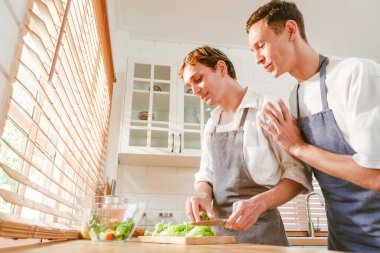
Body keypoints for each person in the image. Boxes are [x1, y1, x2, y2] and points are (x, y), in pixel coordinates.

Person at [245, 1, 380, 252]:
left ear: (290, 30)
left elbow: (375, 176)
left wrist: (298, 147)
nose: (257, 59)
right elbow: (302, 175)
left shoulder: (355, 74)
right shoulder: (295, 98)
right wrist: (259, 202)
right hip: (341, 240)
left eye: (260, 46)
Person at [178, 45, 312, 245]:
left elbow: (298, 174)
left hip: (264, 237)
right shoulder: (211, 124)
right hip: (219, 240)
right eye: (190, 87)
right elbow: (206, 174)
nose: (195, 90)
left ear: (221, 68)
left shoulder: (266, 110)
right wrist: (203, 195)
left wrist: (260, 203)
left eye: (198, 79)